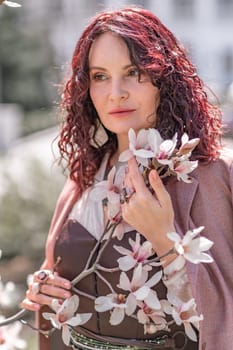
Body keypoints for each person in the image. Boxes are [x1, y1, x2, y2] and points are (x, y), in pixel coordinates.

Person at [21, 6, 233, 350]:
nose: (115, 92)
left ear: (164, 79)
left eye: (133, 72)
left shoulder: (213, 174)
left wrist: (164, 241)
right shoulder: (84, 177)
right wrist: (42, 288)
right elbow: (56, 277)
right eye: (99, 76)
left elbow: (220, 320)